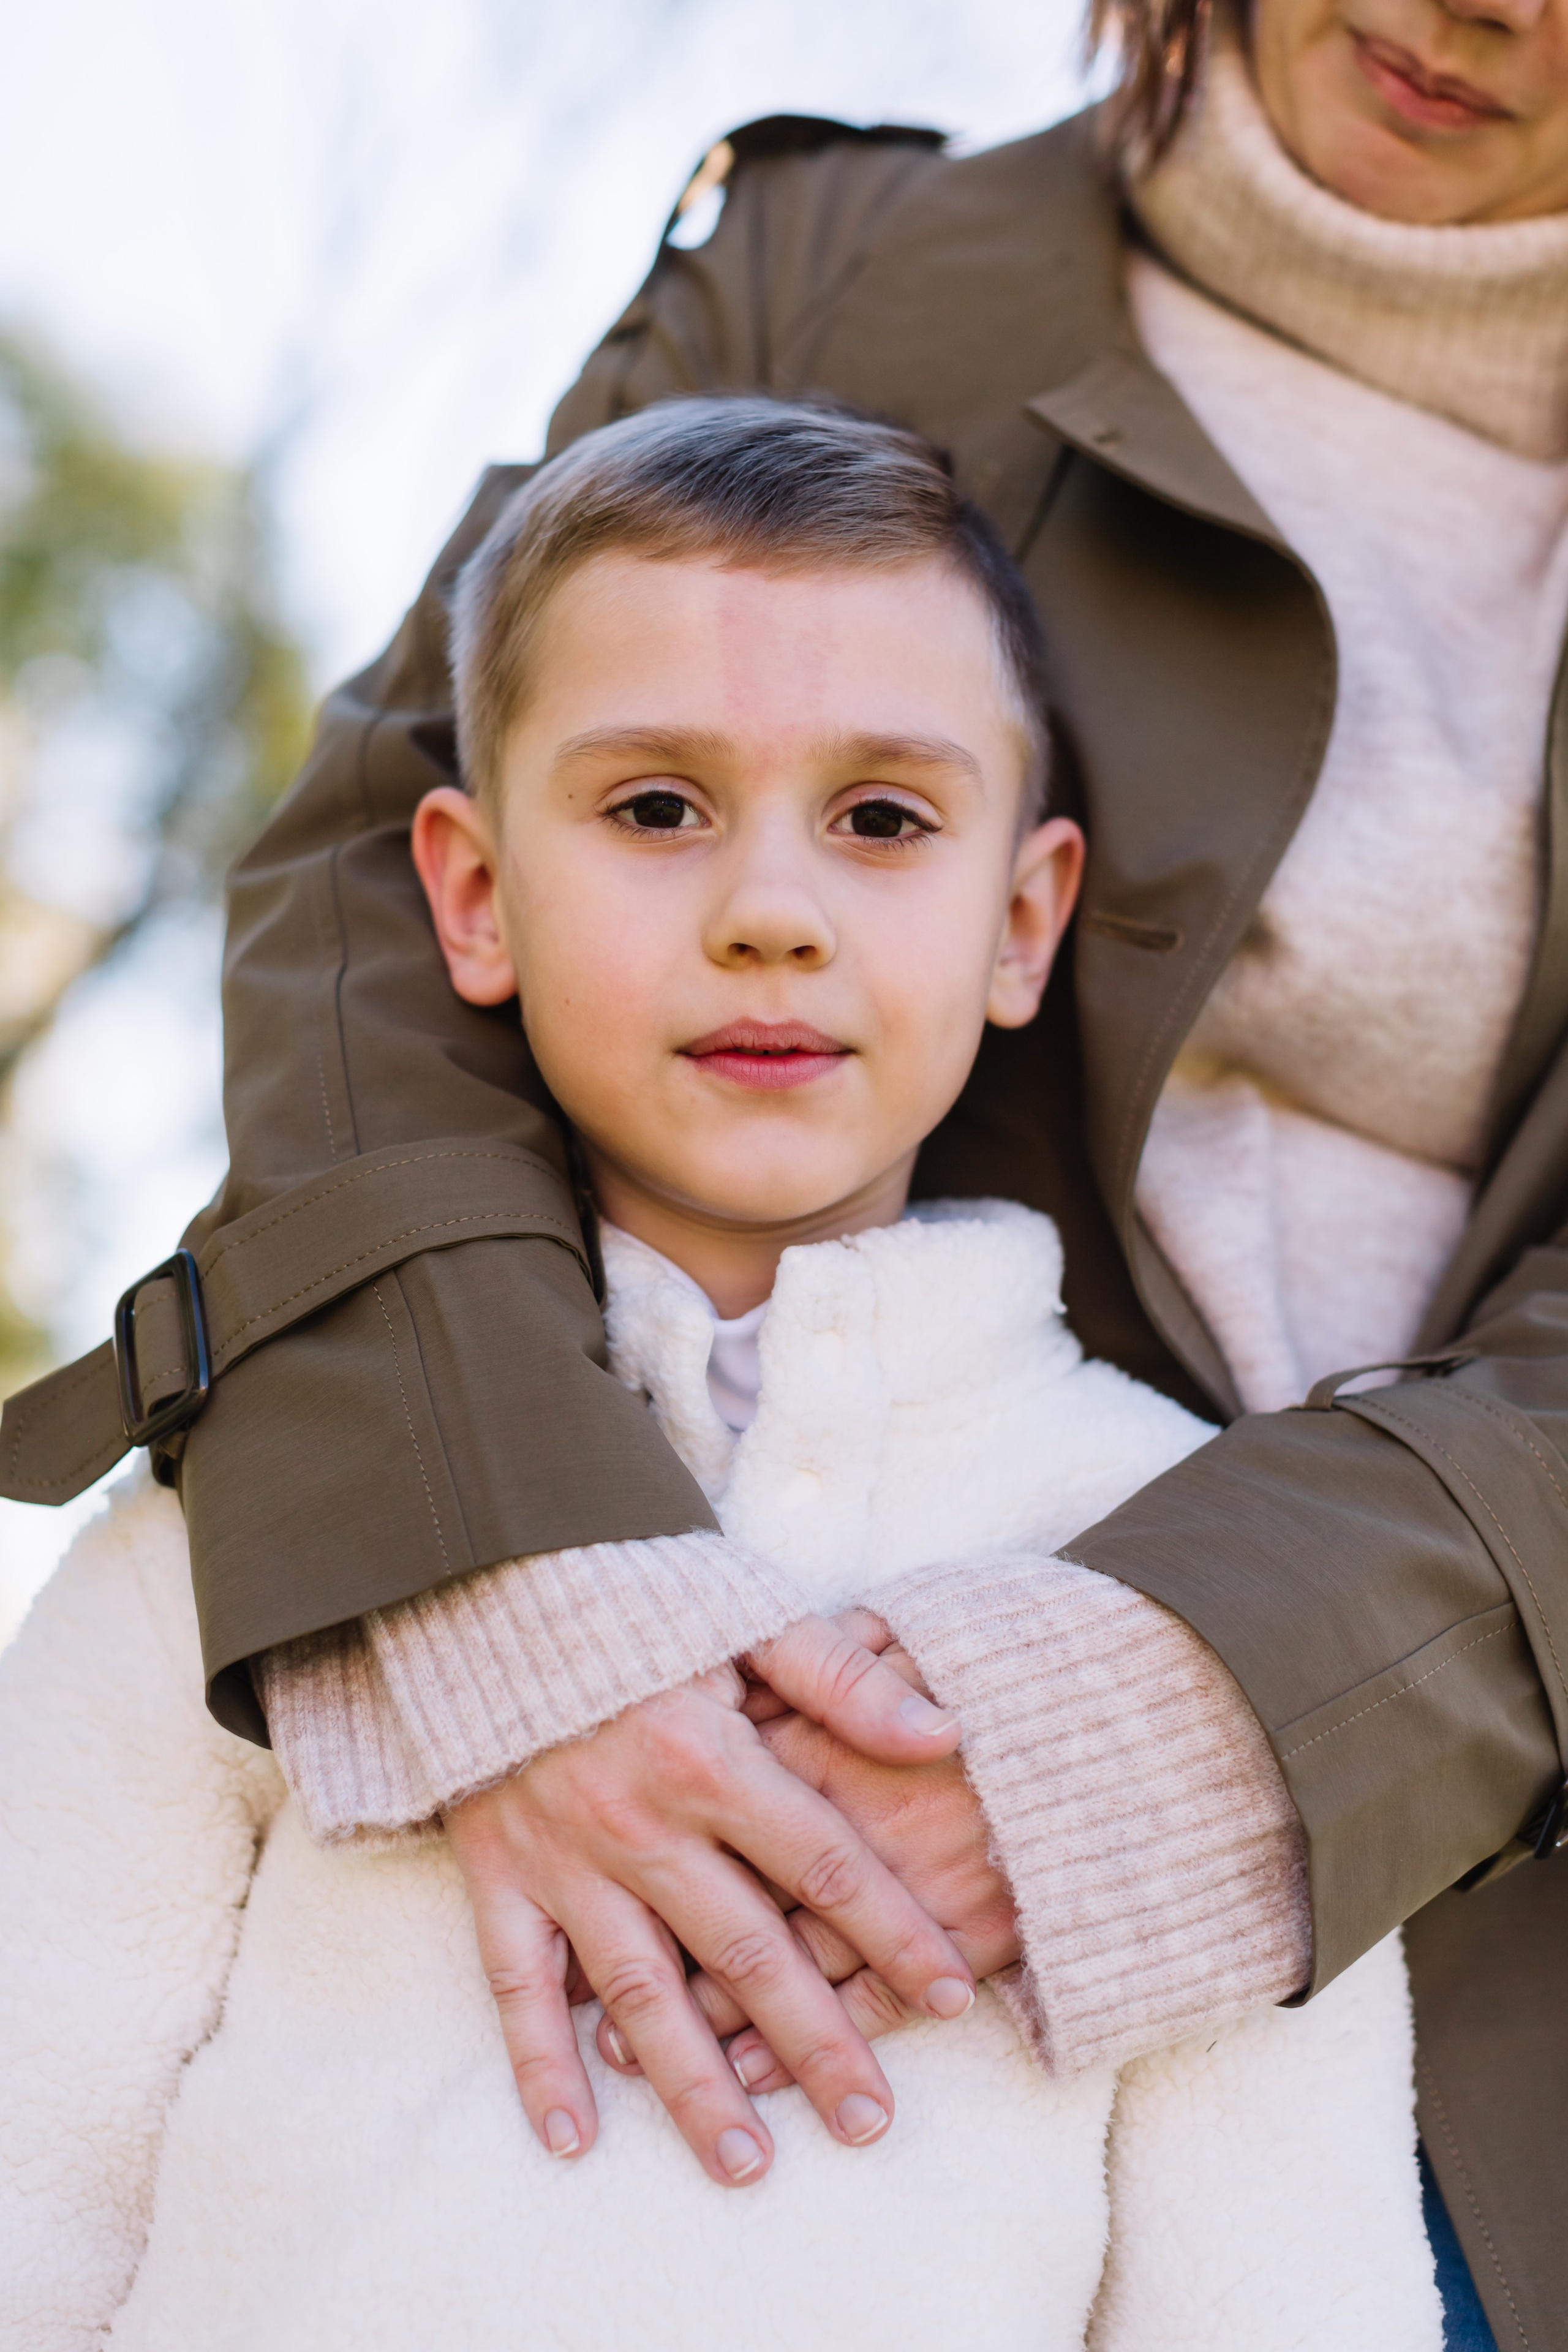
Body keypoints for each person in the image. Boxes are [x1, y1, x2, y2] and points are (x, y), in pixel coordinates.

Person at [4, 0, 1567, 2340]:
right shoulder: (835, 263)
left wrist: (1201, 1707)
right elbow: (366, 895)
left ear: (1021, 908)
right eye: (668, 815)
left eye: (880, 822)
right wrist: (509, 1564)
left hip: (1439, 1932)